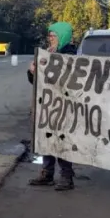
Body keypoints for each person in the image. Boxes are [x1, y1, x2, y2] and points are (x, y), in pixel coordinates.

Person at [27, 21, 78, 191]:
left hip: (63, 105)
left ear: (62, 36)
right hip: (47, 105)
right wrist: (32, 71)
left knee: (62, 140)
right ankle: (47, 173)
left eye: (53, 35)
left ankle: (66, 176)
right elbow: (35, 82)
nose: (50, 38)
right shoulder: (46, 53)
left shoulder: (71, 55)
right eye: (49, 35)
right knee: (46, 138)